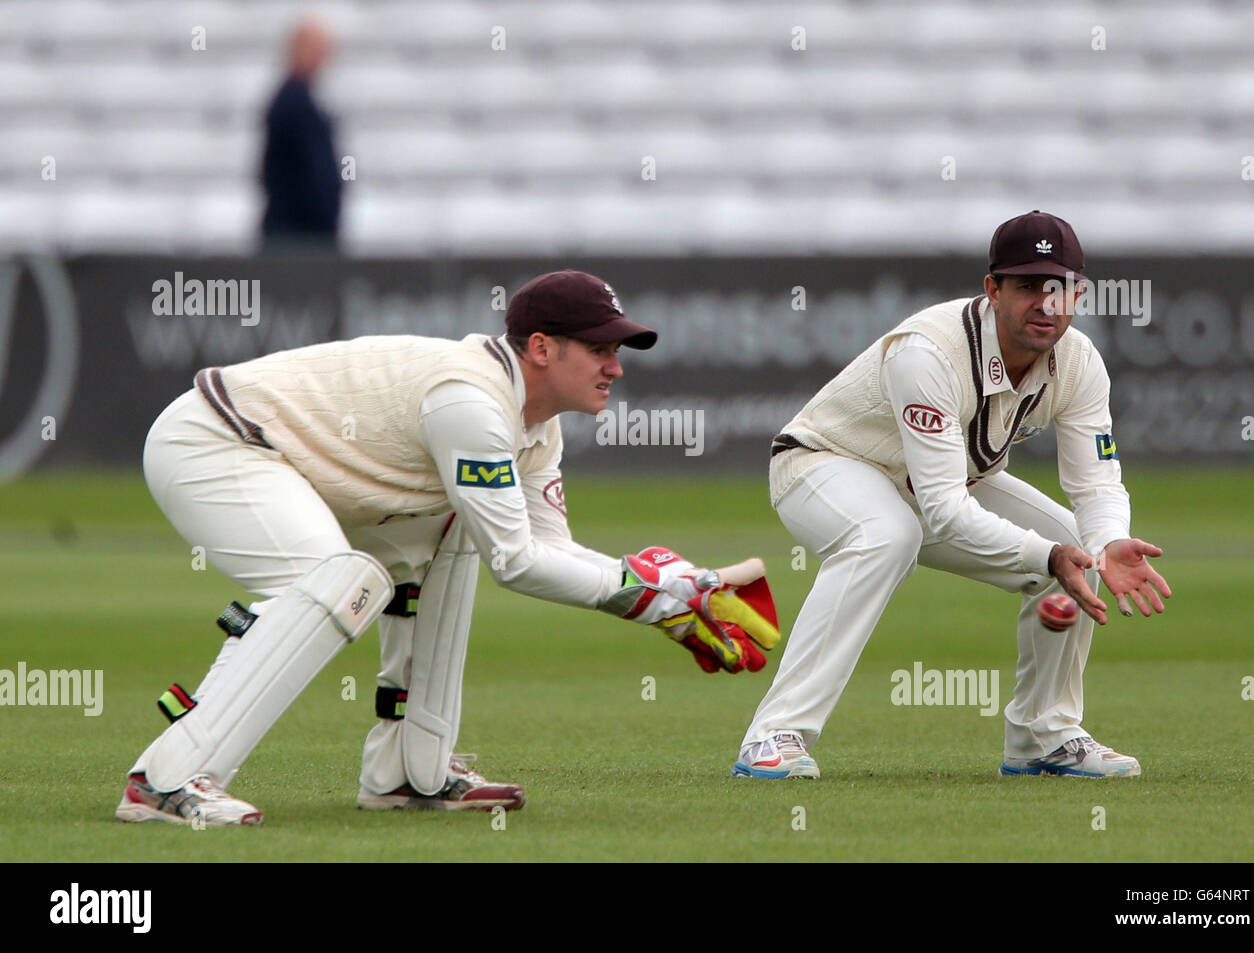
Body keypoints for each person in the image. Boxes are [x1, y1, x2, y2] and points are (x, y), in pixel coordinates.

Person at [116, 270, 778, 826]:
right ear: (543, 347)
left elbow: (544, 546)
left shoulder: (536, 428)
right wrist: (645, 598)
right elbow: (517, 565)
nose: (616, 365)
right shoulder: (471, 402)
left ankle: (410, 770)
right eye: (600, 347)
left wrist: (670, 588)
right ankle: (168, 779)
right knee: (340, 581)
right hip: (216, 442)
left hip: (304, 465)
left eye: (619, 347)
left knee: (455, 532)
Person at [733, 211, 1172, 781]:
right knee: (887, 535)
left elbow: (1095, 481)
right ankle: (773, 736)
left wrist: (1108, 540)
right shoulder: (929, 352)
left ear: (1079, 293)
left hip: (944, 481)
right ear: (992, 290)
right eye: (1027, 287)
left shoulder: (1080, 361)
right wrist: (1045, 556)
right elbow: (942, 509)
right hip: (824, 465)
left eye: (1059, 288)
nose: (1046, 304)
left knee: (1078, 548)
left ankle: (1045, 737)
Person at [260, 19, 342, 249]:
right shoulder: (292, 103)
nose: (322, 59)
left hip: (304, 234)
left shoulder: (303, 100)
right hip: (296, 236)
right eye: (316, 50)